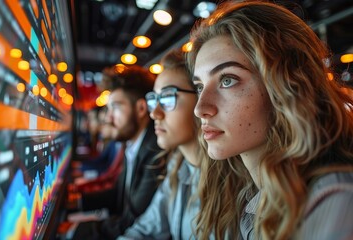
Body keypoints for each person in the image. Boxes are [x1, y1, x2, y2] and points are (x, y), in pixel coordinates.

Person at [186, 1, 353, 240]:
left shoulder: (335, 200)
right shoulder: (241, 193)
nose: (200, 108)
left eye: (227, 80)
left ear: (287, 86)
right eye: (200, 86)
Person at [117, 48, 213, 239]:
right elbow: (146, 229)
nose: (155, 113)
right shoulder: (176, 168)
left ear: (201, 100)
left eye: (168, 97)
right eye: (155, 99)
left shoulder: (234, 185)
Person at [69, 64, 167, 239]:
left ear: (141, 108)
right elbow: (118, 195)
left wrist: (74, 231)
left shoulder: (155, 149)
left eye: (115, 107)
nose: (108, 117)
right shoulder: (132, 144)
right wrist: (77, 201)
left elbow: (132, 220)